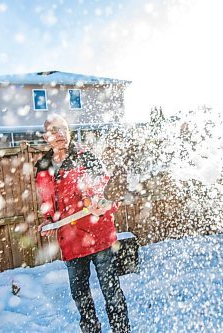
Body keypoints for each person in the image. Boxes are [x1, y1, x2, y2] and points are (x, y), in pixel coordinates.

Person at [35, 114, 130, 333]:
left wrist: (102, 204)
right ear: (46, 136)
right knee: (81, 297)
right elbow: (47, 200)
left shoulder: (85, 157)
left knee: (111, 291)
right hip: (70, 242)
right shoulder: (43, 166)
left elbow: (107, 192)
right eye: (53, 130)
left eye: (63, 129)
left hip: (99, 236)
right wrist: (48, 221)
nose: (59, 134)